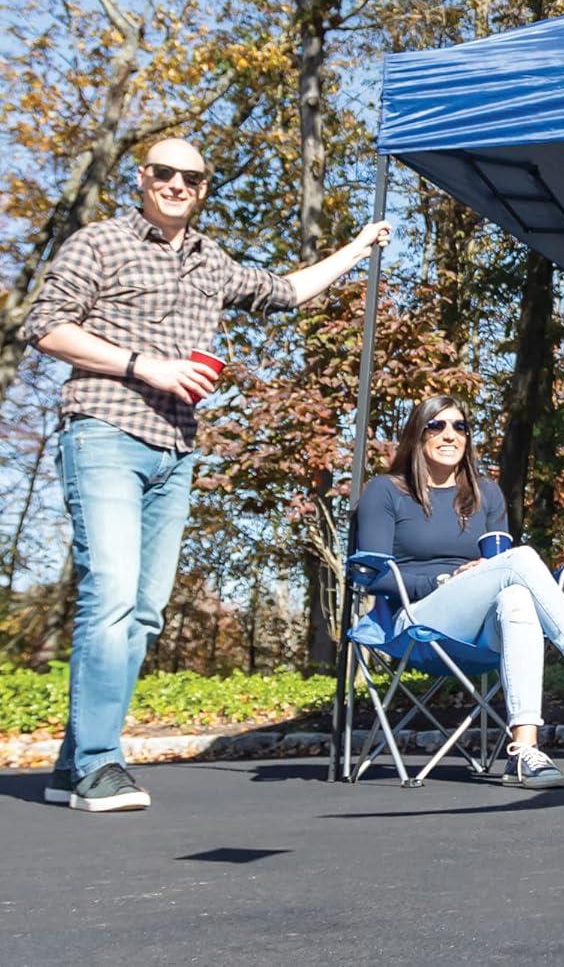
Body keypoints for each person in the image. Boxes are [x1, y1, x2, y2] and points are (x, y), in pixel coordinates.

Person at [27, 137, 393, 813]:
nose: (175, 184)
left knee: (142, 611)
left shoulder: (210, 260)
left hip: (175, 449)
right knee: (108, 596)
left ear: (203, 187)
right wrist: (145, 365)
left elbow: (285, 292)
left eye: (190, 177)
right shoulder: (99, 243)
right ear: (142, 178)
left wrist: (359, 247)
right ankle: (102, 765)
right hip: (106, 430)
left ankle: (73, 763)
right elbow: (46, 328)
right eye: (163, 173)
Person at [354, 395, 564, 787]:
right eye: (436, 426)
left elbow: (499, 566)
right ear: (416, 435)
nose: (449, 435)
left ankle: (524, 751)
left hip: (474, 629)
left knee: (516, 598)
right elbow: (371, 574)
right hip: (415, 619)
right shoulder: (386, 491)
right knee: (521, 558)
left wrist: (481, 574)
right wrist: (443, 579)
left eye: (460, 427)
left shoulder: (485, 494)